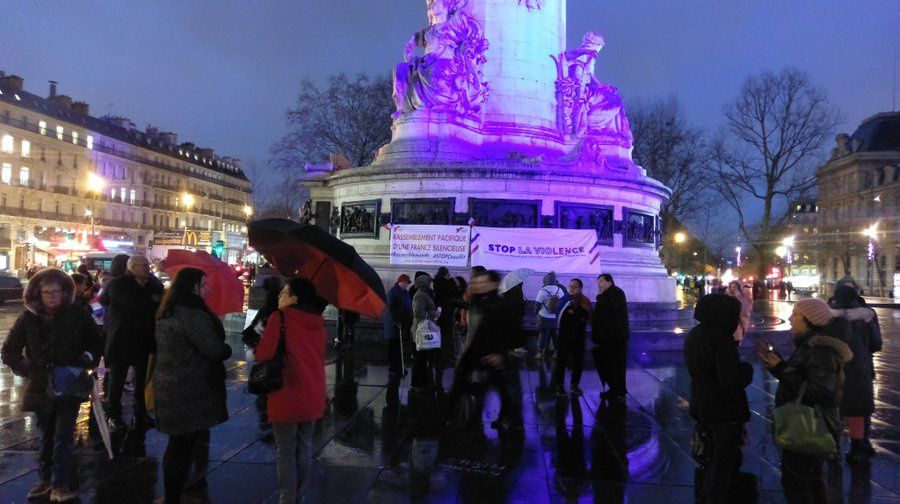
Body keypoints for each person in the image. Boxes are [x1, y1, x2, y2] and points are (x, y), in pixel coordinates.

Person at [1, 268, 102, 502]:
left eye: (56, 292)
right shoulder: (28, 318)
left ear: (64, 292)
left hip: (69, 382)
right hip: (40, 384)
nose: (52, 296)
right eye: (47, 292)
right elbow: (9, 350)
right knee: (45, 435)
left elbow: (96, 342)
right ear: (38, 293)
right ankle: (45, 479)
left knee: (63, 435)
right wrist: (27, 368)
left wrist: (86, 359)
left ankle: (60, 483)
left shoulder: (77, 314)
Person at [757, 298, 852, 502]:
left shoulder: (820, 350)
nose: (790, 318)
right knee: (810, 481)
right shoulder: (812, 345)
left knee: (798, 486)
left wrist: (781, 368)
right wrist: (777, 365)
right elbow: (804, 379)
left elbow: (819, 391)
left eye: (796, 314)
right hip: (808, 426)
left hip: (808, 427)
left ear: (811, 320)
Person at [152, 268, 232, 504]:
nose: (208, 288)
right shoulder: (190, 313)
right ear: (193, 286)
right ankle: (174, 497)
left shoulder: (170, 309)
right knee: (181, 446)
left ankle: (173, 495)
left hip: (172, 383)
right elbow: (214, 349)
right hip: (188, 386)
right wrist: (224, 347)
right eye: (204, 283)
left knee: (179, 444)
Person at [255, 278, 327, 504]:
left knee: (285, 449)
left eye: (285, 293)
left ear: (295, 298)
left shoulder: (280, 318)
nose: (280, 296)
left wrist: (262, 337)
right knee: (304, 447)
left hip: (287, 391)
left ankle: (287, 498)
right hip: (313, 392)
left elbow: (263, 354)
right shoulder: (318, 320)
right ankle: (300, 495)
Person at [685, 294, 754, 502]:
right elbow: (731, 380)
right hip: (723, 409)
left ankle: (707, 495)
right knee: (722, 462)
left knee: (713, 458)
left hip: (703, 402)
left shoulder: (696, 334)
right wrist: (747, 369)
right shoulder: (721, 340)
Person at [451, 269, 523, 434]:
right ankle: (493, 420)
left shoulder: (498, 304)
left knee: (501, 391)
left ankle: (511, 422)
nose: (477, 284)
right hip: (481, 355)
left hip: (492, 356)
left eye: (481, 282)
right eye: (475, 281)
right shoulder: (479, 301)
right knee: (493, 390)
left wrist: (499, 353)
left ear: (493, 284)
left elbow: (506, 332)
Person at [101, 254, 164, 430]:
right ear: (132, 267)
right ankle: (113, 415)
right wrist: (150, 300)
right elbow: (134, 304)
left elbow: (158, 297)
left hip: (143, 339)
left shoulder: (151, 282)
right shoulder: (118, 283)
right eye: (144, 266)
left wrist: (152, 294)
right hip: (121, 338)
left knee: (140, 380)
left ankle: (140, 414)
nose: (148, 268)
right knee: (117, 381)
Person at [829, 284, 882, 463]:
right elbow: (876, 344)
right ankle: (857, 448)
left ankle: (832, 448)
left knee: (833, 408)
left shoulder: (826, 315)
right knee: (858, 409)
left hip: (832, 367)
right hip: (860, 367)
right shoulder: (867, 316)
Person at [592, 274, 630, 403]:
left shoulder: (617, 293)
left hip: (616, 337)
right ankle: (613, 388)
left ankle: (620, 391)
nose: (599, 284)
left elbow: (612, 308)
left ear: (609, 281)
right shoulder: (604, 295)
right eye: (598, 282)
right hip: (605, 337)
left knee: (617, 364)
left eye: (601, 281)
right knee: (607, 364)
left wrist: (599, 296)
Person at [551, 278, 592, 397]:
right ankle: (559, 386)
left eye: (574, 286)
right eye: (570, 286)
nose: (571, 288)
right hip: (564, 336)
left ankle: (574, 385)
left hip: (579, 337)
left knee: (578, 362)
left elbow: (588, 318)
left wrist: (576, 312)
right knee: (561, 362)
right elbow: (558, 315)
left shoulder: (585, 301)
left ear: (580, 288)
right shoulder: (564, 300)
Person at [411, 273, 441, 390]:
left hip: (423, 329)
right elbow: (418, 313)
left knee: (422, 357)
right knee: (420, 358)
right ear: (425, 284)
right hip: (421, 329)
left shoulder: (424, 294)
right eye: (430, 282)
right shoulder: (421, 295)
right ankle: (417, 383)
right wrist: (434, 314)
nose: (432, 284)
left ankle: (422, 382)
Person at [433, 267, 459, 386]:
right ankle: (444, 357)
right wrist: (452, 281)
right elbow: (456, 292)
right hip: (447, 313)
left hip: (440, 313)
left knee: (442, 335)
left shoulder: (436, 283)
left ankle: (439, 357)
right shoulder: (448, 284)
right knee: (447, 335)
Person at [385, 274, 413, 380]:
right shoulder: (393, 293)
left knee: (399, 347)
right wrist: (396, 321)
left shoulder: (405, 293)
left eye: (408, 283)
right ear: (401, 282)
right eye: (406, 282)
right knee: (393, 347)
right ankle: (393, 368)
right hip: (395, 326)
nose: (407, 285)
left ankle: (399, 367)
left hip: (403, 324)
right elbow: (390, 309)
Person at [535, 272, 564, 359]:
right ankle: (557, 352)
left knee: (543, 335)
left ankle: (540, 353)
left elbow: (537, 305)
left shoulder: (543, 290)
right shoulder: (560, 290)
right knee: (555, 335)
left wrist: (537, 313)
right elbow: (563, 304)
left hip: (544, 317)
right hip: (556, 318)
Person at [726, 280, 753, 344]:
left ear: (739, 288)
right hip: (728, 328)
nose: (732, 289)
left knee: (736, 341)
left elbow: (745, 312)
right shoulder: (726, 297)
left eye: (735, 287)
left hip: (738, 327)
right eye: (731, 287)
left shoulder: (743, 297)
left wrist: (737, 298)